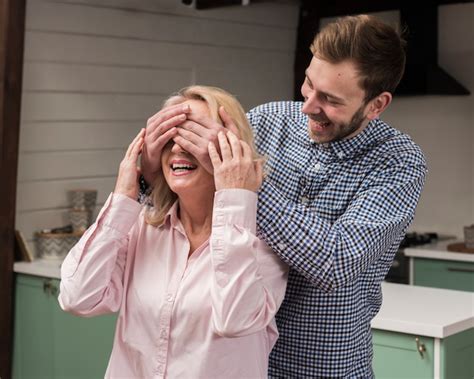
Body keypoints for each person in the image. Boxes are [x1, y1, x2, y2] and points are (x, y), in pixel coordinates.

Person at [139, 15, 428, 378]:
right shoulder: (265, 121)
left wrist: (247, 186)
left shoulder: (398, 161)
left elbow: (337, 262)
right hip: (228, 361)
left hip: (322, 369)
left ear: (376, 104)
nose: (308, 105)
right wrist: (149, 174)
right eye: (308, 84)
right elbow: (193, 202)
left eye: (331, 100)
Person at [58, 85, 288, 378]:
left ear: (232, 151)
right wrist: (125, 197)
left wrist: (234, 191)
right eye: (171, 136)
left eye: (194, 135)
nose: (178, 147)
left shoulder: (264, 239)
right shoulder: (145, 226)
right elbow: (77, 296)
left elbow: (235, 320)